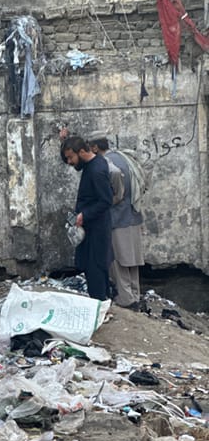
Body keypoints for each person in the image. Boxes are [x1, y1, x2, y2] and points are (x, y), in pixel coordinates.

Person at [88, 133, 144, 310]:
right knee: (132, 260)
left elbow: (115, 181)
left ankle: (126, 298)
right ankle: (135, 295)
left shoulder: (106, 163)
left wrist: (110, 199)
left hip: (117, 218)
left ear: (95, 148)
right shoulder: (124, 157)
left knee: (118, 260)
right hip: (133, 215)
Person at [61, 136, 113, 301]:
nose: (69, 162)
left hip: (96, 230)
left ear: (82, 152)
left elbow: (106, 200)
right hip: (92, 228)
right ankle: (103, 301)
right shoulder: (93, 163)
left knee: (95, 269)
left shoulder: (96, 171)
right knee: (93, 268)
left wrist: (85, 214)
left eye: (71, 157)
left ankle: (99, 304)